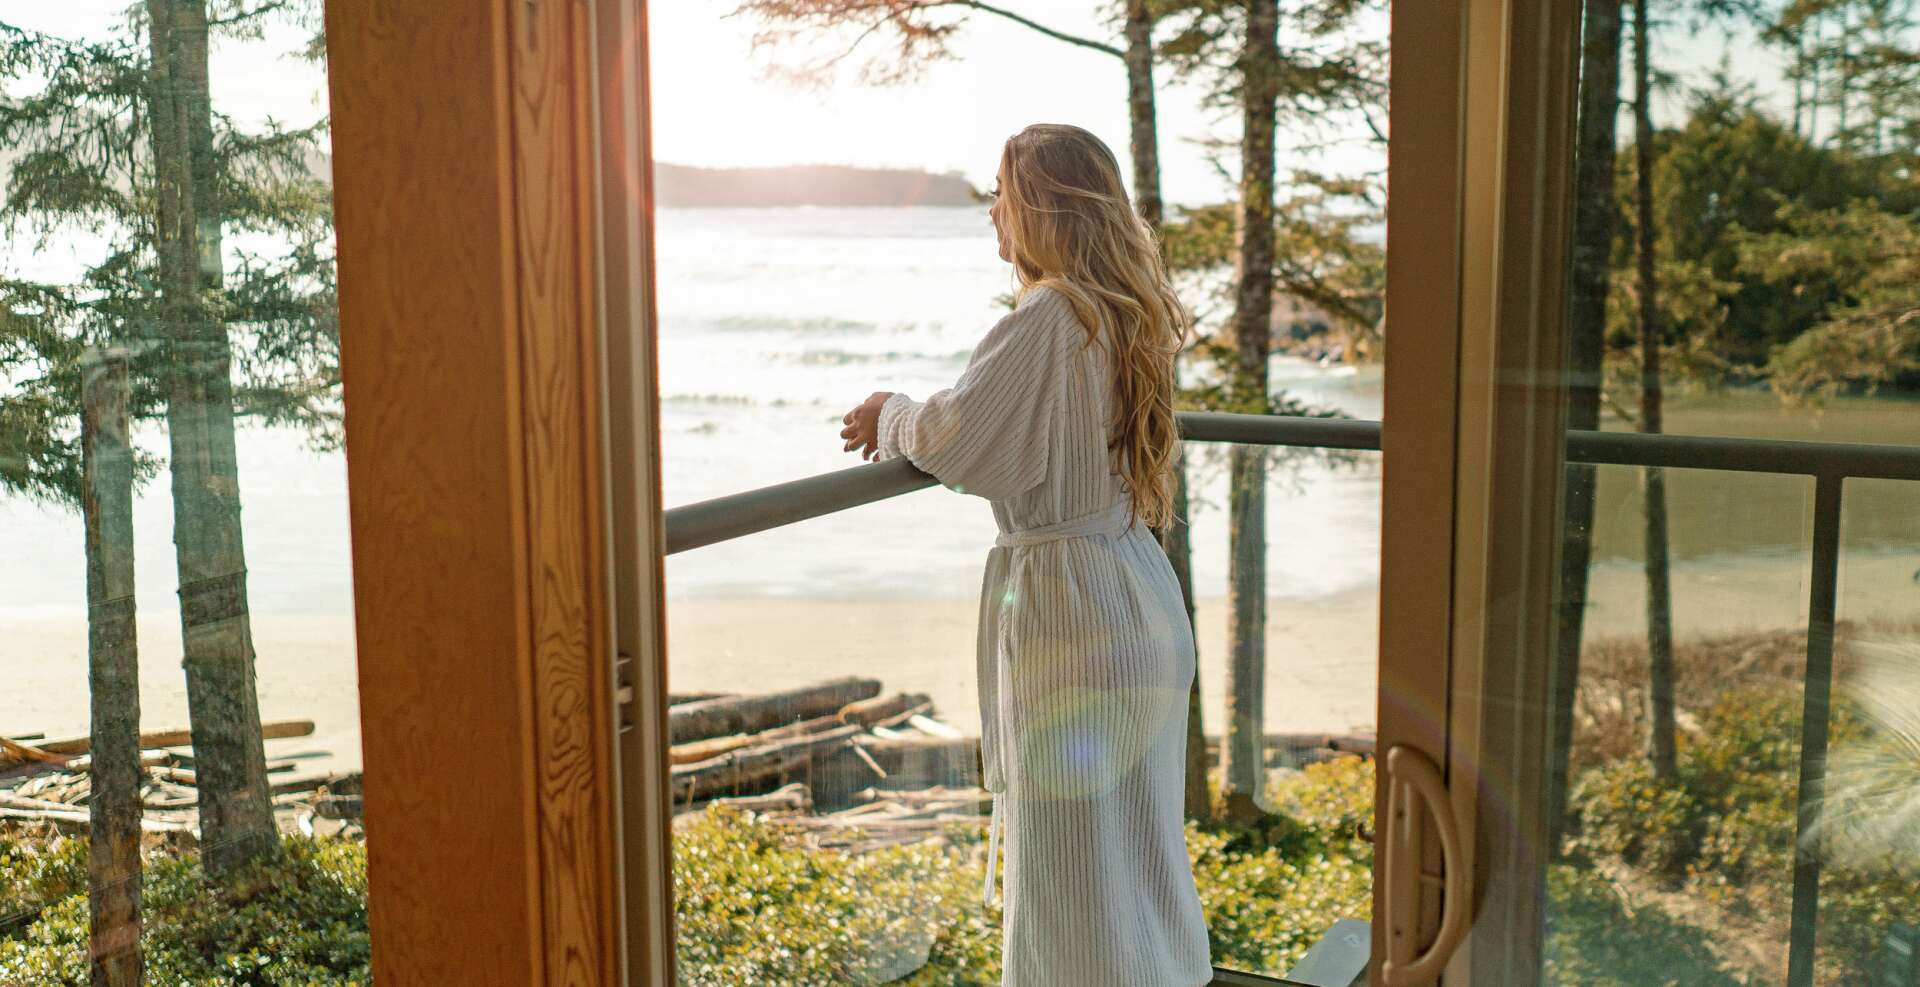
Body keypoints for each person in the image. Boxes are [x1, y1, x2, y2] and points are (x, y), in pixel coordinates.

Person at [839, 123, 1212, 987]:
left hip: (1071, 613)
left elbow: (956, 439)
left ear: (1043, 205)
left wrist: (891, 409)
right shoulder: (1125, 310)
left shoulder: (1050, 312)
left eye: (1003, 194)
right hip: (1134, 589)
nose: (995, 214)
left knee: (1072, 876)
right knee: (1138, 857)